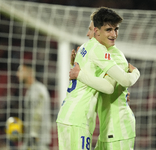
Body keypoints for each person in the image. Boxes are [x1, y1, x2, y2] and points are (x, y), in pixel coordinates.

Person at [56, 7, 140, 150]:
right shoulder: (99, 50)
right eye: (109, 30)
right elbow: (107, 87)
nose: (114, 34)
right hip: (83, 119)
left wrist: (133, 76)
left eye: (116, 29)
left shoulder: (108, 54)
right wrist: (135, 73)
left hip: (116, 127)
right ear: (97, 31)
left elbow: (116, 84)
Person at [16, 63, 51, 150]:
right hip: (31, 141)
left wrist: (33, 135)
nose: (17, 74)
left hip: (38, 141)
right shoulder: (30, 91)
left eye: (21, 71)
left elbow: (38, 113)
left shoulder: (38, 90)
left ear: (30, 72)